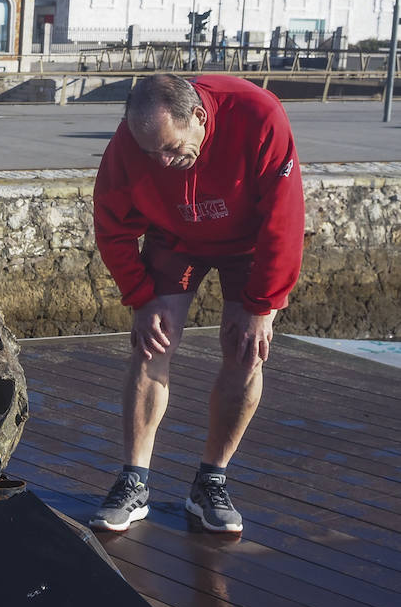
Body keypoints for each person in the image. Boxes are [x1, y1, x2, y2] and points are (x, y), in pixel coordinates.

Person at [88, 73, 304, 534]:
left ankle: (210, 481)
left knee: (247, 352)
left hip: (247, 243)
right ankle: (134, 480)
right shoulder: (131, 142)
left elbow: (284, 217)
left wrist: (263, 306)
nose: (163, 163)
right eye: (151, 154)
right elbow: (111, 223)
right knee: (151, 345)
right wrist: (141, 298)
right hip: (175, 236)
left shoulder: (259, 115)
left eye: (170, 148)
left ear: (199, 118)